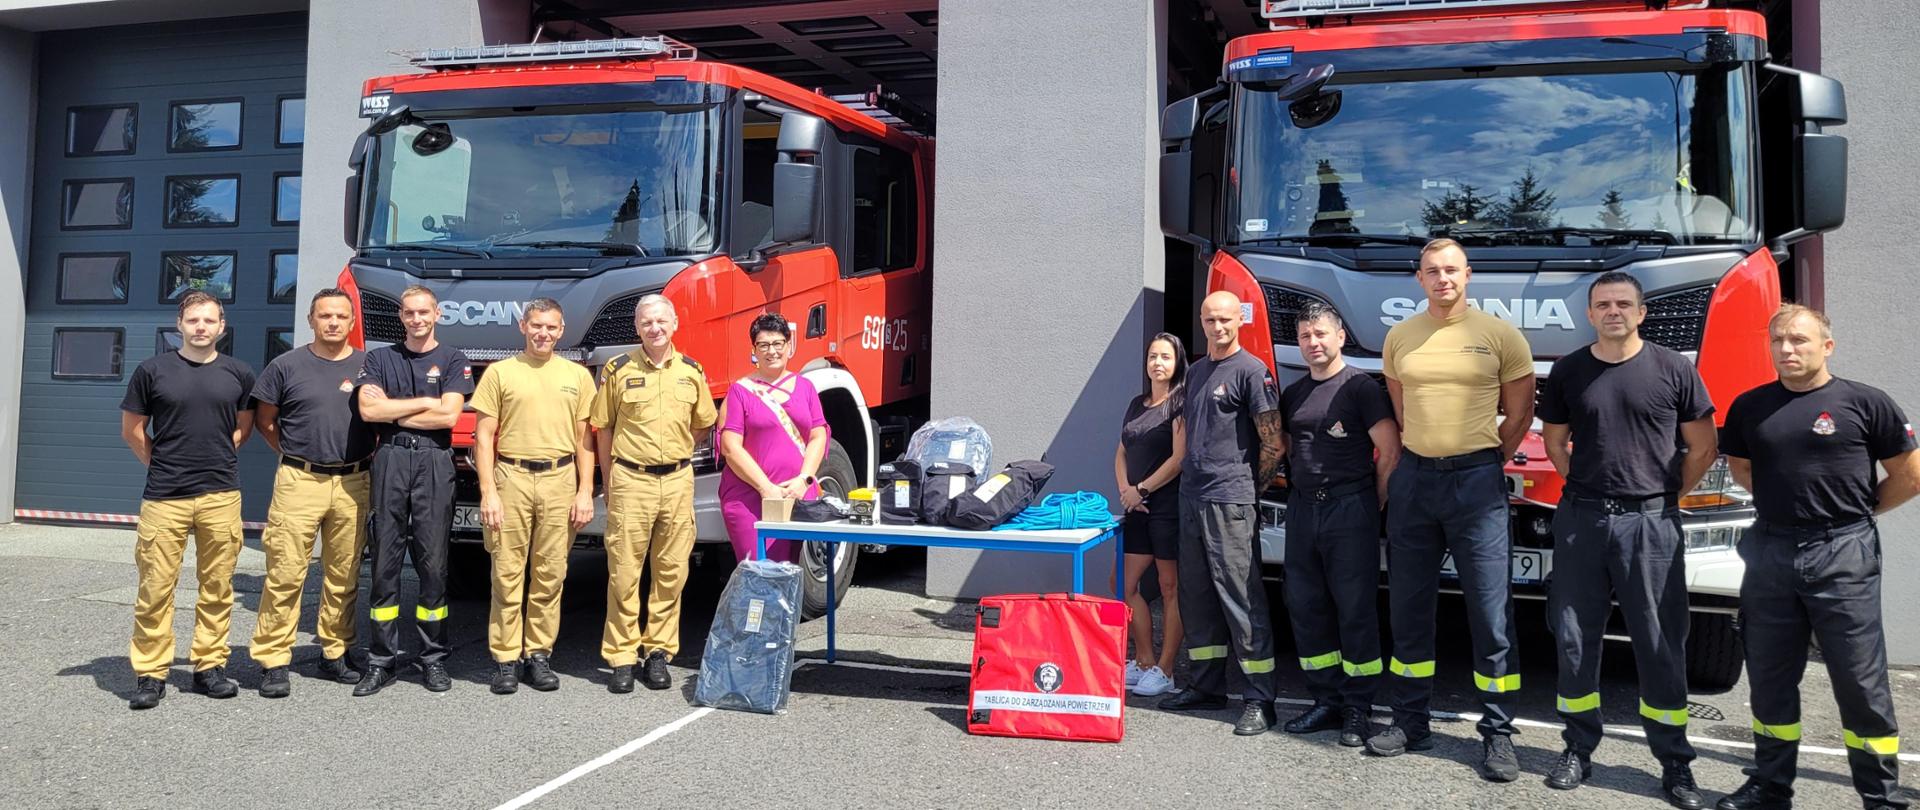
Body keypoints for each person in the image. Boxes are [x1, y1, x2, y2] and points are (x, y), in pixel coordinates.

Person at [1715, 305, 1919, 810]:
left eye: (1800, 340)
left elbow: (1910, 474)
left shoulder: (1866, 403)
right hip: (1771, 548)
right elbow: (1742, 467)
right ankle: (1770, 786)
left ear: (1826, 346)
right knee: (1769, 673)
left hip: (1842, 550)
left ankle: (1881, 796)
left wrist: (1854, 514)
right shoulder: (1750, 406)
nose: (1787, 349)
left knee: (1859, 679)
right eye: (1778, 340)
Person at [1537, 272, 1715, 806]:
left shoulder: (1674, 369)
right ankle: (1577, 747)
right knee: (1573, 637)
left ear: (1641, 313)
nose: (1613, 311)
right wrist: (1593, 488)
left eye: (1623, 304)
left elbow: (1702, 448)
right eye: (1602, 305)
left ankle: (1675, 763)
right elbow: (1555, 442)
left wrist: (1657, 499)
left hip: (1652, 524)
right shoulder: (1570, 371)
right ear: (1589, 314)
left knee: (1661, 641)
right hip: (1583, 520)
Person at [1369, 238, 1534, 783]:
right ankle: (1410, 722)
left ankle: (1498, 733)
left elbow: (1519, 414)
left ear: (1469, 275)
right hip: (1416, 480)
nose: (1442, 279)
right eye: (1432, 271)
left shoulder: (1499, 335)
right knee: (1409, 610)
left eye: (1451, 270)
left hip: (1477, 484)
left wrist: (1483, 459)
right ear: (1419, 279)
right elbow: (1400, 407)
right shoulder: (1400, 337)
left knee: (1491, 615)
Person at [119, 291, 256, 710]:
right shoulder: (151, 371)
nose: (201, 327)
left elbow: (242, 429)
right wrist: (161, 464)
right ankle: (150, 672)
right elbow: (133, 430)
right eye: (193, 320)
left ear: (222, 328)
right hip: (165, 498)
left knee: (217, 588)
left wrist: (212, 459)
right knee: (156, 588)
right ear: (179, 325)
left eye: (209, 321)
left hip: (220, 495)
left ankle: (209, 667)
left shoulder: (239, 374)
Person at [1160, 291, 1285, 736]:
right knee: (1196, 597)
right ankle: (1207, 687)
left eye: (1225, 319)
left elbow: (1273, 443)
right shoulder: (1195, 372)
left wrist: (1249, 492)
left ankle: (1259, 699)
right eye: (1210, 319)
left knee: (1241, 598)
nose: (1217, 327)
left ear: (1239, 321)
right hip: (1191, 498)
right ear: (1201, 320)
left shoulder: (1252, 372)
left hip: (1231, 502)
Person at [1277, 303, 1400, 747]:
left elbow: (1389, 452)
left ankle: (1358, 708)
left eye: (1322, 334)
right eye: (1307, 335)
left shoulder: (1362, 389)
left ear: (1341, 336)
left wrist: (1372, 502)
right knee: (1306, 607)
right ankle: (1325, 700)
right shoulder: (1293, 393)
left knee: (1355, 610)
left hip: (1351, 509)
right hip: (1304, 509)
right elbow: (1287, 448)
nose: (1314, 343)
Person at [249, 288, 376, 698]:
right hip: (300, 481)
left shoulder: (367, 366)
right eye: (325, 316)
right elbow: (265, 421)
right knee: (286, 572)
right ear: (311, 320)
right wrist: (293, 455)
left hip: (354, 482)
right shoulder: (285, 365)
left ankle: (334, 651)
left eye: (341, 316)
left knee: (344, 574)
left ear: (353, 322)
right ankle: (273, 659)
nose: (333, 323)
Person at [592, 294, 718, 694]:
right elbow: (604, 429)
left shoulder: (691, 372)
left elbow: (703, 425)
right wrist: (610, 482)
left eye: (661, 321)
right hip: (631, 481)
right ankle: (622, 657)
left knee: (671, 571)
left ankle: (659, 652)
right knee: (624, 573)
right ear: (637, 327)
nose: (655, 328)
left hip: (678, 481)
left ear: (675, 323)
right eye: (647, 322)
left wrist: (677, 451)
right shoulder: (618, 370)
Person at [471, 298, 596, 696]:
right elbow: (484, 436)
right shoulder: (500, 373)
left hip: (560, 479)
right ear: (522, 326)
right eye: (536, 325)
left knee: (550, 573)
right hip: (512, 477)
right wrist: (488, 491)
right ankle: (506, 658)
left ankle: (538, 654)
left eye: (551, 327)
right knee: (507, 573)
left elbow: (585, 442)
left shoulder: (577, 376)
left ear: (561, 331)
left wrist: (585, 491)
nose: (543, 333)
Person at [353, 284, 473, 696]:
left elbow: (449, 418)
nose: (416, 319)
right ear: (401, 317)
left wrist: (397, 410)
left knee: (433, 563)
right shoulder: (380, 358)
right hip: (390, 459)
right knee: (384, 560)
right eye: (409, 313)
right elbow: (369, 410)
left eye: (424, 312)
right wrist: (425, 403)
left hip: (434, 462)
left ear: (437, 313)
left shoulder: (453, 358)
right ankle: (381, 660)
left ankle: (433, 658)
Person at [718, 312, 829, 565]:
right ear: (754, 350)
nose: (772, 351)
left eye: (778, 343)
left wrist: (804, 480)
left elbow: (818, 435)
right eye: (763, 345)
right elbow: (730, 447)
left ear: (789, 346)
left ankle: (788, 608)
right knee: (758, 571)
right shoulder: (740, 391)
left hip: (795, 495)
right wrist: (766, 488)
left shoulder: (805, 387)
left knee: (789, 570)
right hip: (749, 498)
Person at [1113, 332, 1186, 698]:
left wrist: (1142, 490)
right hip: (1137, 509)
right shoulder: (1135, 404)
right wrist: (1127, 492)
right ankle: (1143, 660)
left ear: (1176, 363)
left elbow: (1178, 459)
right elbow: (1121, 452)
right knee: (1122, 585)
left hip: (1167, 509)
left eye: (1165, 357)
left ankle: (1166, 669)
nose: (1158, 363)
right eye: (1153, 356)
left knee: (1171, 588)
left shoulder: (1178, 404)